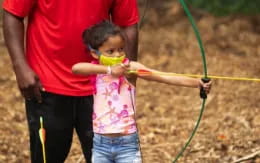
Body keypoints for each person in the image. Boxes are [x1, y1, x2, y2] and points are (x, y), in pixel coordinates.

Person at [2, 0, 139, 162]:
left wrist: (127, 76)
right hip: (46, 85)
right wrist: (20, 67)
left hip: (102, 89)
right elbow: (13, 14)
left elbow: (127, 23)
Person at [72, 21, 212, 163]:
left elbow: (163, 76)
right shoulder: (96, 71)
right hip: (101, 144)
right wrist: (109, 70)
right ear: (95, 54)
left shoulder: (130, 69)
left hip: (127, 145)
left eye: (121, 49)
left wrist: (197, 83)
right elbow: (76, 68)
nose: (117, 54)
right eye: (110, 51)